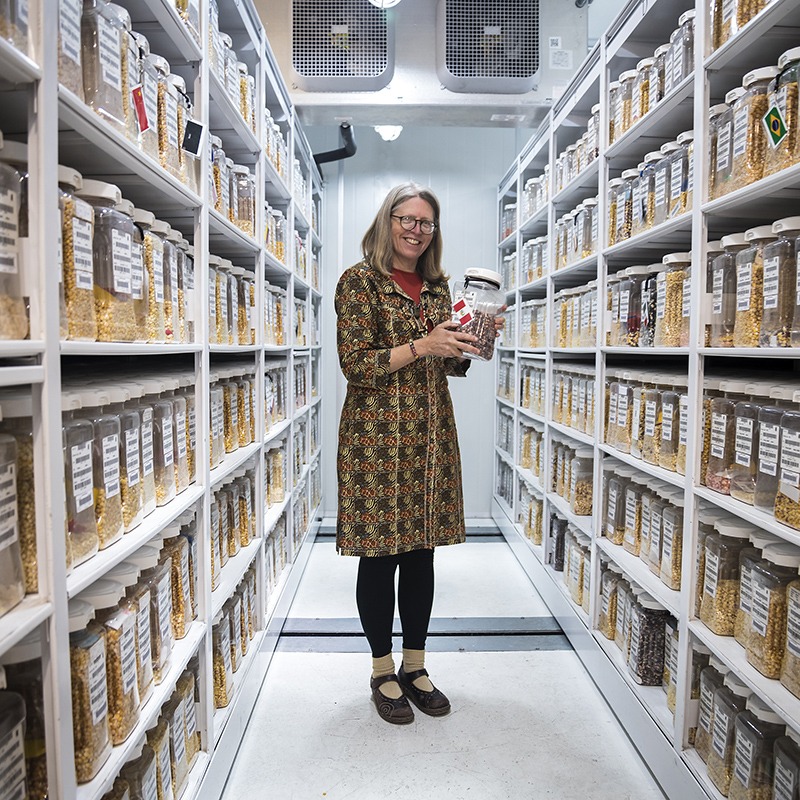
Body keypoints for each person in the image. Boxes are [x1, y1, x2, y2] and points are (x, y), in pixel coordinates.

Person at [334, 182, 504, 724]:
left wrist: (478, 337)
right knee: (379, 557)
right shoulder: (358, 283)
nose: (414, 230)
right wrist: (421, 345)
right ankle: (382, 668)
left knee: (421, 555)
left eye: (425, 223)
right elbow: (356, 366)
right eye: (406, 219)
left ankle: (415, 664)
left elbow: (453, 365)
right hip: (375, 442)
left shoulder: (437, 289)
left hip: (430, 438)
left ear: (433, 233)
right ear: (387, 223)